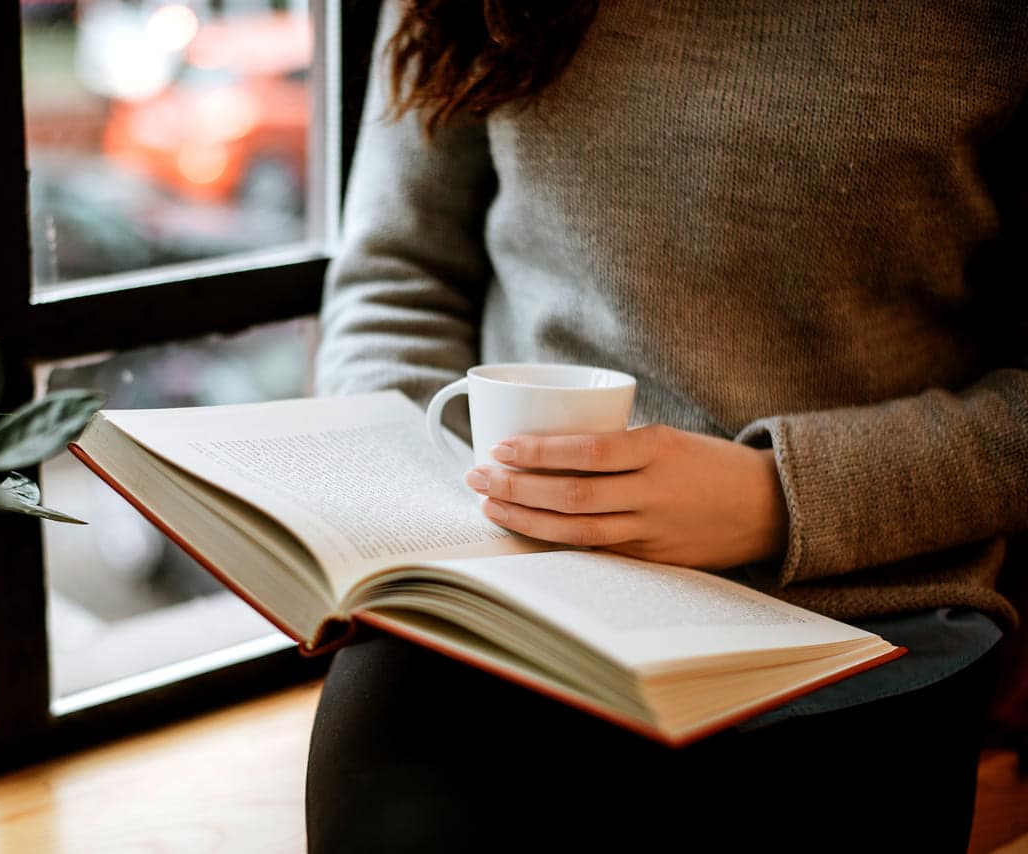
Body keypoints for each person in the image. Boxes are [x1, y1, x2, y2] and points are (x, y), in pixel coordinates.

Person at [306, 1, 1028, 852]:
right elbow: (397, 276)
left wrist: (779, 498)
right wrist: (436, 512)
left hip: (865, 619)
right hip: (502, 592)